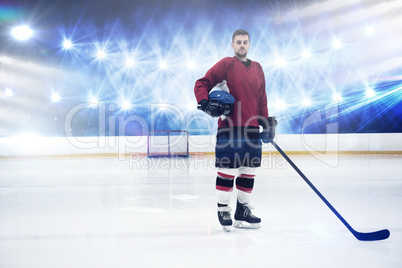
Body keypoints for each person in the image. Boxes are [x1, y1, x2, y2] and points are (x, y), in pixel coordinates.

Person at [194, 29, 277, 231]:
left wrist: (265, 122)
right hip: (229, 128)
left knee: (249, 171)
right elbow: (201, 83)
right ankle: (223, 209)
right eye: (238, 42)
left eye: (245, 42)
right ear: (232, 45)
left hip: (251, 130)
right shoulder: (226, 64)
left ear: (249, 45)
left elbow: (261, 99)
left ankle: (243, 210)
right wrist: (204, 103)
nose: (242, 45)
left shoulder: (258, 68)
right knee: (228, 171)